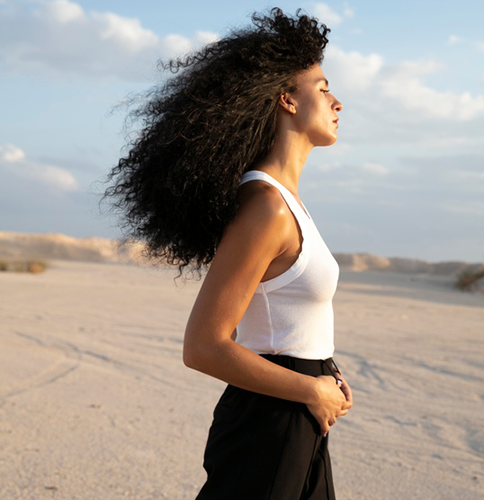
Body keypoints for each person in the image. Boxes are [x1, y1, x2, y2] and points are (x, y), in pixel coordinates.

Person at [104, 8, 353, 499]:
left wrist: (327, 375)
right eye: (322, 88)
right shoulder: (266, 208)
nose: (337, 102)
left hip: (294, 411)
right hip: (272, 418)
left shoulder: (287, 203)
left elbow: (278, 323)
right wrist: (310, 388)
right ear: (286, 99)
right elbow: (204, 346)